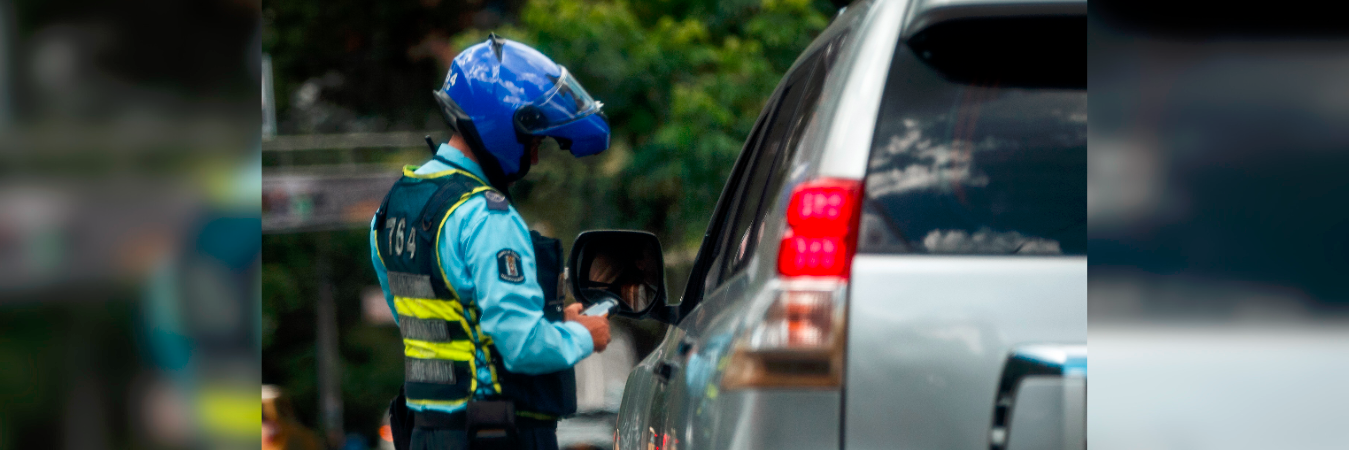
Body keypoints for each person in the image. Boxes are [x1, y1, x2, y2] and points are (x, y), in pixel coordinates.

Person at [370, 33, 613, 450]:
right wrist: (584, 336)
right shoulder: (485, 215)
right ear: (502, 123)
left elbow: (435, 321)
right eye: (534, 142)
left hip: (427, 434)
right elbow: (520, 348)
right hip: (493, 434)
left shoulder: (392, 207)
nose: (534, 158)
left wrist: (554, 323)